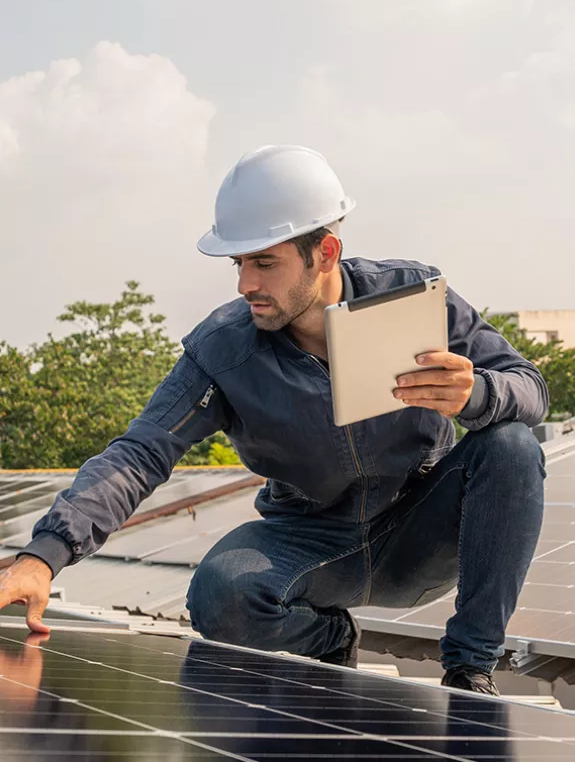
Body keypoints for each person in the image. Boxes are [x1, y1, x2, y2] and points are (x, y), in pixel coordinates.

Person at [0, 145, 547, 696]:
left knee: (512, 446)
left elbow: (531, 389)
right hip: (310, 543)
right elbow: (141, 452)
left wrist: (478, 392)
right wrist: (41, 558)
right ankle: (329, 639)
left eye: (264, 262)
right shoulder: (224, 351)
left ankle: (471, 669)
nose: (245, 284)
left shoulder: (416, 299)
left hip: (419, 533)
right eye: (239, 264)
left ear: (325, 253)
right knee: (220, 591)